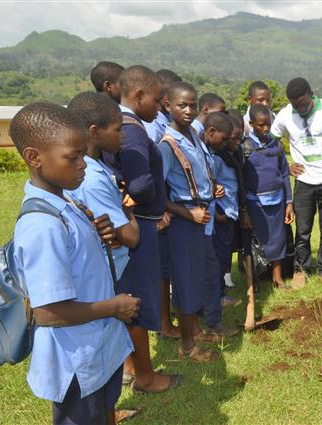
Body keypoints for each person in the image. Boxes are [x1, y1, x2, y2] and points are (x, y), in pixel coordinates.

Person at [10, 102, 140, 425]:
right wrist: (114, 307)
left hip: (95, 352)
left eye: (84, 154)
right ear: (34, 157)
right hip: (76, 366)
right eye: (73, 157)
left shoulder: (66, 201)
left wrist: (102, 233)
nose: (83, 165)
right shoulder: (42, 225)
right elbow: (48, 312)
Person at [111, 65, 179, 393]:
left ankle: (128, 367)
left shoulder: (125, 125)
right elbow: (138, 184)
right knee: (136, 301)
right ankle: (145, 376)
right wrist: (151, 200)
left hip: (138, 224)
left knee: (129, 293)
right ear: (138, 96)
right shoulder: (134, 130)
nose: (160, 105)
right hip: (141, 229)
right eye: (156, 99)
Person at [158, 81, 223, 362]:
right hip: (186, 221)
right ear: (168, 106)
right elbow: (156, 195)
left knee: (197, 277)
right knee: (185, 282)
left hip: (201, 217)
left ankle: (194, 331)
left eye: (192, 105)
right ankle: (187, 346)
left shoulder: (193, 135)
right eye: (181, 105)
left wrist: (213, 187)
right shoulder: (167, 144)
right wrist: (188, 213)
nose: (188, 110)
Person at [271, 77, 322, 289]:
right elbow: (272, 142)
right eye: (296, 105)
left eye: (304, 103)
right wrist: (286, 167)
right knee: (303, 230)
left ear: (311, 94)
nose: (301, 108)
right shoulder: (285, 114)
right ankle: (300, 269)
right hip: (304, 181)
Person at [66, 92, 139, 284]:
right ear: (94, 131)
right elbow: (131, 237)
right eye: (117, 130)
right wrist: (127, 208)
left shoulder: (97, 167)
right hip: (106, 274)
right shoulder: (92, 179)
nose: (122, 136)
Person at [143, 68, 183, 340]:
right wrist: (160, 209)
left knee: (165, 269)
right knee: (160, 271)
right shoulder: (151, 126)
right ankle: (162, 323)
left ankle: (164, 319)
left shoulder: (157, 122)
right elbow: (152, 174)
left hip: (162, 207)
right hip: (159, 211)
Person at [243, 104, 295, 289]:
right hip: (254, 203)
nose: (265, 129)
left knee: (278, 238)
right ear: (251, 124)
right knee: (256, 241)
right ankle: (254, 280)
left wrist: (289, 202)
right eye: (260, 125)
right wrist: (244, 210)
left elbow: (284, 175)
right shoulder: (245, 148)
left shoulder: (277, 146)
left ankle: (277, 277)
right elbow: (240, 181)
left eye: (268, 125)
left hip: (277, 201)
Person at [212, 114, 244, 305]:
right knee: (219, 257)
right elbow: (209, 185)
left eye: (240, 138)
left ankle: (220, 294)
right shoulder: (217, 159)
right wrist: (218, 214)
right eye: (233, 139)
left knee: (224, 255)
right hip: (222, 214)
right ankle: (218, 296)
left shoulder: (234, 155)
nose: (237, 143)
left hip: (231, 211)